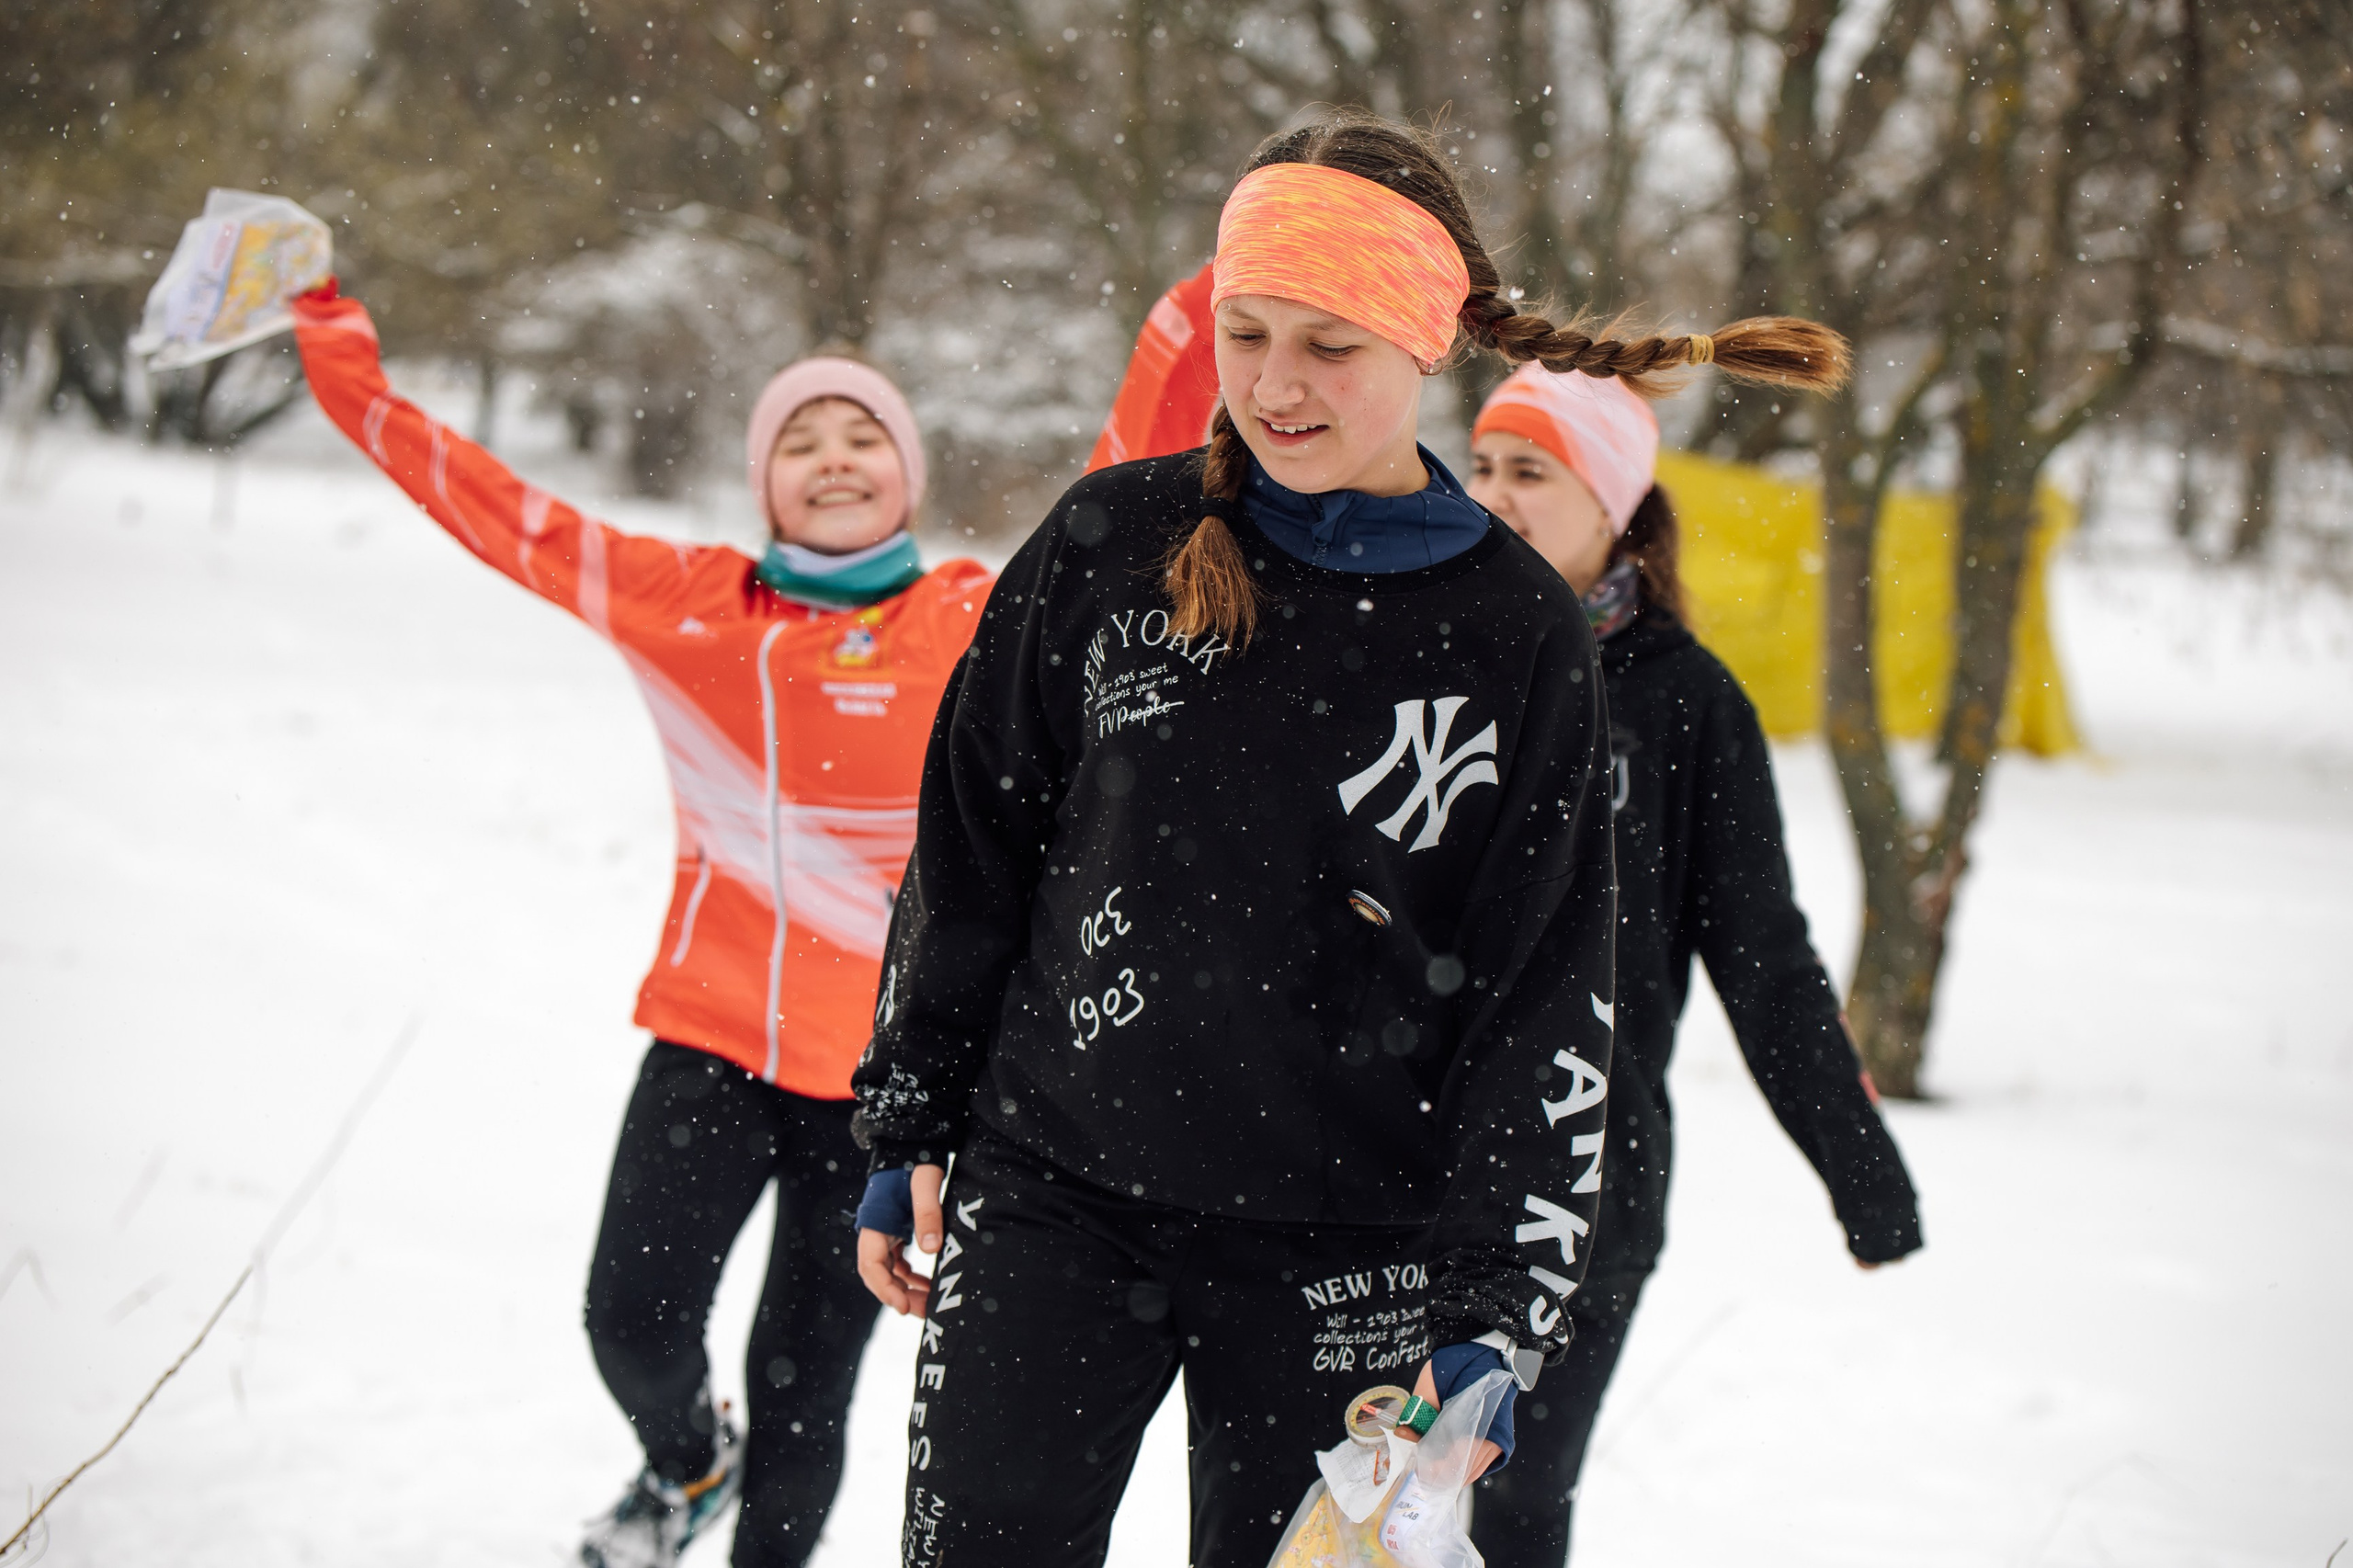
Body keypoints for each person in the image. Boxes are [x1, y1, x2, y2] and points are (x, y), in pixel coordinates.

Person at [845, 108, 1850, 1568]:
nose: (1276, 384)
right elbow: (975, 849)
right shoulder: (1110, 546)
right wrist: (910, 1110)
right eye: (1248, 332)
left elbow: (1545, 989)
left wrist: (1497, 1303)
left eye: (1331, 344)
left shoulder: (1516, 632)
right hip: (1054, 1192)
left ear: (1427, 344)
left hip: (1347, 1246)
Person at [287, 281, 992, 1568]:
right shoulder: (693, 604)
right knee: (631, 1319)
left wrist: (1205, 307)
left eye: (863, 437)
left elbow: (1130, 480)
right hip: (712, 1033)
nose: (834, 460)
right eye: (800, 440)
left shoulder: (972, 618)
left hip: (884, 1082)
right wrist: (337, 349)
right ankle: (684, 1461)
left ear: (908, 469)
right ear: (763, 480)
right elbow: (497, 513)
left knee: (805, 1391)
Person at [1462, 364, 1924, 1565]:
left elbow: (1765, 955)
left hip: (1585, 1176)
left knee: (1506, 1505)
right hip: (1393, 1155)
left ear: (1613, 503)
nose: (1493, 495)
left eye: (1532, 471)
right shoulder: (1419, 659)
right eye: (1481, 465)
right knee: (1354, 1494)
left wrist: (1858, 1166)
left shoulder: (1685, 705)